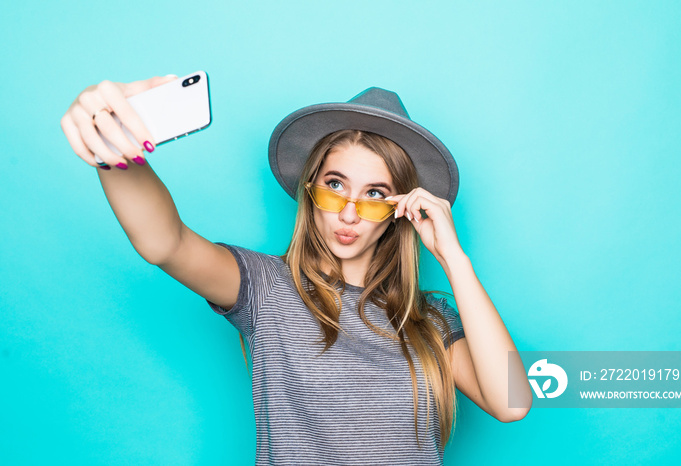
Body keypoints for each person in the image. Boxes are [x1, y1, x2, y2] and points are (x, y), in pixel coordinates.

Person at [60, 75, 533, 465]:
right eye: (334, 186)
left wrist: (454, 259)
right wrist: (112, 151)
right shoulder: (266, 287)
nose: (348, 213)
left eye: (373, 195)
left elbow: (512, 402)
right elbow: (165, 243)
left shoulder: (429, 319)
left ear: (398, 210)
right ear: (310, 191)